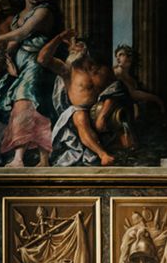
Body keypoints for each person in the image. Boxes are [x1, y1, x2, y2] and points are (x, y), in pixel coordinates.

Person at [0, 0, 61, 167]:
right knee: (32, 108)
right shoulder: (19, 15)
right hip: (21, 68)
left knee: (27, 105)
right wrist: (8, 61)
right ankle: (42, 159)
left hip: (37, 65)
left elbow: (23, 33)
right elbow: (14, 44)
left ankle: (19, 158)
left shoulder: (44, 11)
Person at [38, 29, 130, 166]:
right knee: (79, 114)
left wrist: (102, 116)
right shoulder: (67, 69)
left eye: (76, 44)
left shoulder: (103, 70)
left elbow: (115, 91)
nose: (72, 48)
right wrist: (59, 37)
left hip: (101, 110)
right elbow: (42, 59)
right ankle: (102, 155)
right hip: (77, 113)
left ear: (86, 48)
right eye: (70, 46)